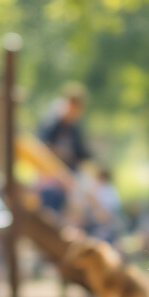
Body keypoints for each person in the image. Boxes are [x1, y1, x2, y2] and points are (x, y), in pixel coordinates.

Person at [36, 83, 91, 218]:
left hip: (70, 175)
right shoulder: (51, 123)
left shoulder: (74, 128)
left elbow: (82, 154)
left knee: (85, 196)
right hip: (50, 174)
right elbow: (42, 149)